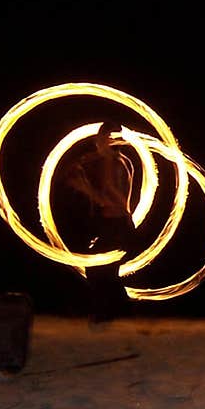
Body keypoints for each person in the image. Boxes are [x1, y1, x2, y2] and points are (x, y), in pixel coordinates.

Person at [64, 121, 137, 323]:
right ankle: (117, 312)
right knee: (106, 271)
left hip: (115, 223)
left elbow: (108, 198)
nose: (97, 142)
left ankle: (110, 312)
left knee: (98, 270)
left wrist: (82, 186)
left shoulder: (112, 164)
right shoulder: (124, 161)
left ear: (108, 140)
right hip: (119, 224)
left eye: (101, 137)